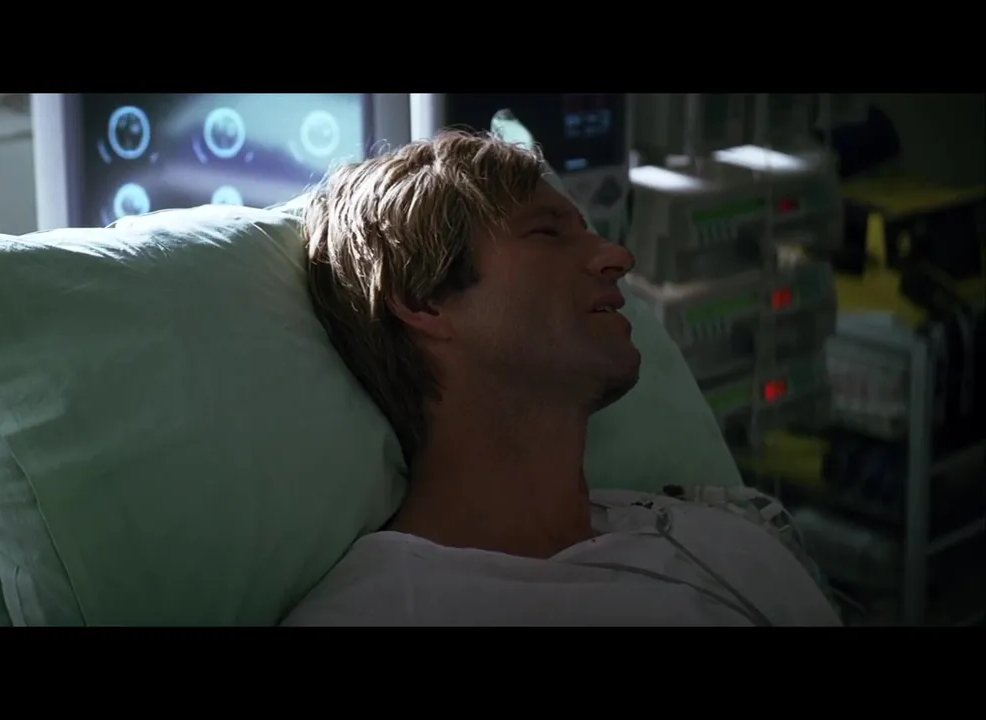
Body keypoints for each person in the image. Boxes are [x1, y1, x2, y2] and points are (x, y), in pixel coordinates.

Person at [283, 131, 841, 626]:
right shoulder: (380, 610)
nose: (618, 256)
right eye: (547, 233)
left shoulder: (723, 533)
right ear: (421, 299)